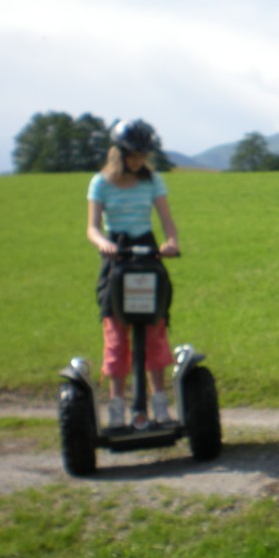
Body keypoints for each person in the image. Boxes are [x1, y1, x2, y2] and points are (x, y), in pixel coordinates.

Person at [86, 119, 180, 428]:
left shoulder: (152, 181)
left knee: (155, 331)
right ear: (119, 152)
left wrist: (171, 242)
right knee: (116, 336)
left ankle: (159, 403)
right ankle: (116, 407)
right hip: (117, 257)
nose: (139, 161)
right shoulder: (100, 183)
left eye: (143, 155)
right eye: (134, 155)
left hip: (147, 254)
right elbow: (92, 227)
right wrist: (104, 244)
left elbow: (166, 219)